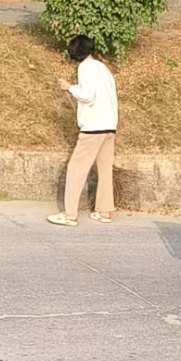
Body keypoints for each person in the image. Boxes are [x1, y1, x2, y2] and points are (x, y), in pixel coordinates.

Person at [47, 35, 118, 227]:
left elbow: (88, 96)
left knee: (76, 168)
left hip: (93, 127)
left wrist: (69, 87)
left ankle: (70, 215)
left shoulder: (85, 68)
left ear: (75, 52)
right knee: (105, 170)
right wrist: (74, 88)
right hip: (109, 126)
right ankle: (104, 212)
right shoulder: (102, 68)